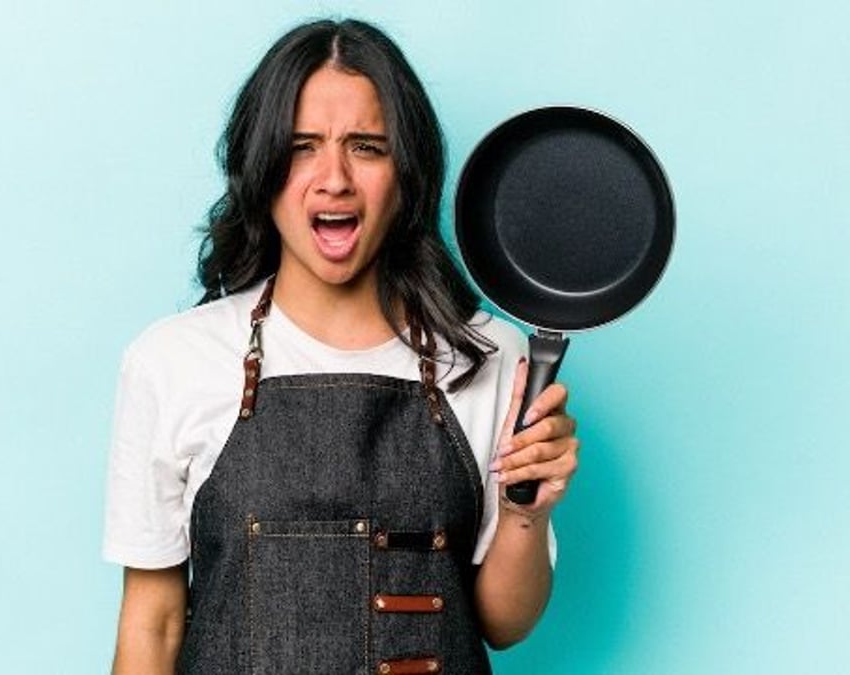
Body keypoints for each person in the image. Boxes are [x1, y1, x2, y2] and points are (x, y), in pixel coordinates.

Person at [104, 18, 580, 675]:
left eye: (367, 146)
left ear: (407, 175)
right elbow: (151, 626)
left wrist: (527, 515)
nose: (334, 179)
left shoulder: (490, 355)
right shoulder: (171, 360)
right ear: (262, 169)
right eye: (302, 146)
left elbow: (503, 623)